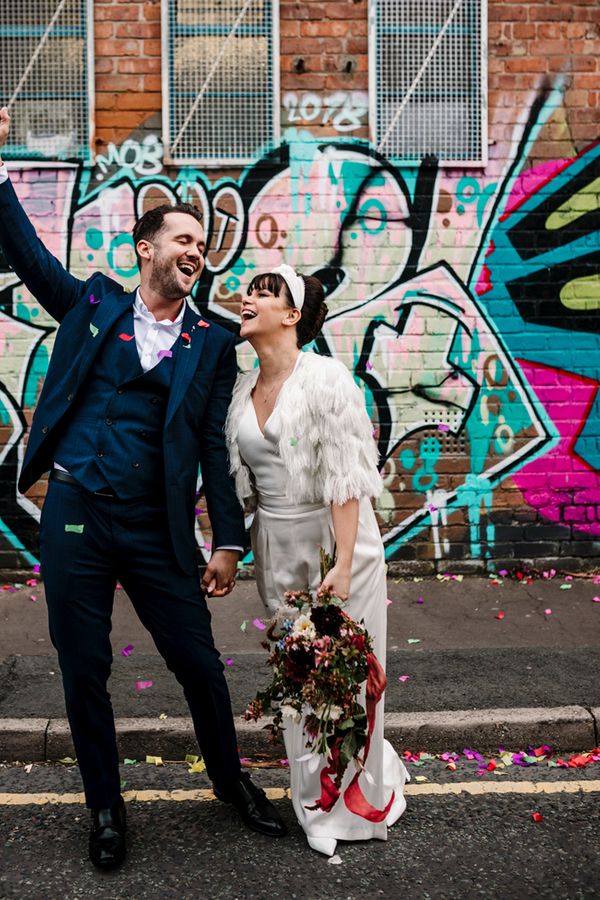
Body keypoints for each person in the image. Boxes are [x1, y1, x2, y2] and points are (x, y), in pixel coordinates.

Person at [0, 107, 286, 871]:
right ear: (146, 248)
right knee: (83, 666)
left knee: (198, 661)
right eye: (182, 239)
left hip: (156, 526)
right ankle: (105, 806)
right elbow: (28, 255)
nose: (196, 250)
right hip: (75, 511)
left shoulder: (213, 343)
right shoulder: (93, 306)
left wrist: (227, 541)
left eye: (201, 243)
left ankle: (230, 782)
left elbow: (211, 446)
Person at [225, 264, 409, 856]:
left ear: (292, 315)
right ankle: (314, 799)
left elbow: (347, 478)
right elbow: (244, 483)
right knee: (299, 678)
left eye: (266, 292)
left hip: (337, 543)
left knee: (342, 681)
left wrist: (343, 565)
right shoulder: (241, 389)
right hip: (277, 547)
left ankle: (352, 806)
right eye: (250, 289)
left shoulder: (326, 380)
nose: (250, 297)